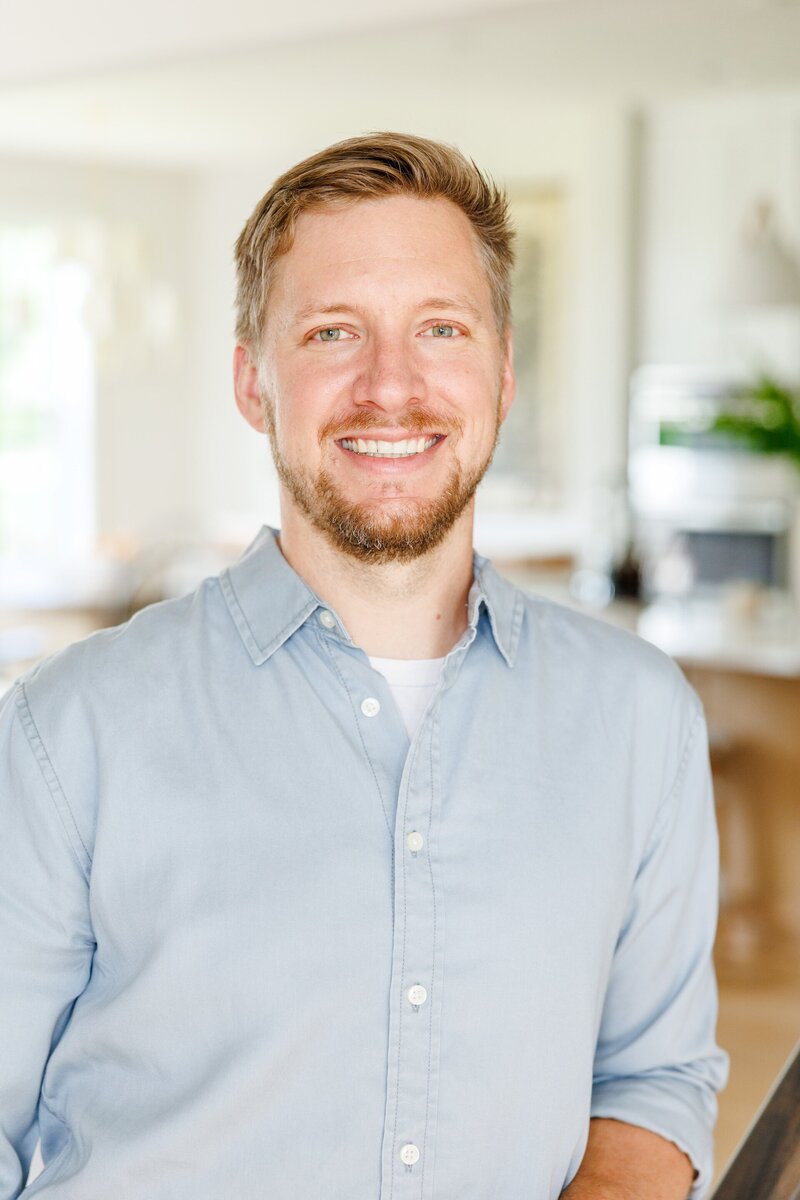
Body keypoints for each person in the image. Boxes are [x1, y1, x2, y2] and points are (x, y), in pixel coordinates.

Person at [0, 132, 727, 1200]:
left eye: (440, 328)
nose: (390, 387)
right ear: (253, 383)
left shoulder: (638, 719)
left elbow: (652, 1081)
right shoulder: (67, 731)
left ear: (501, 372)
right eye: (333, 332)